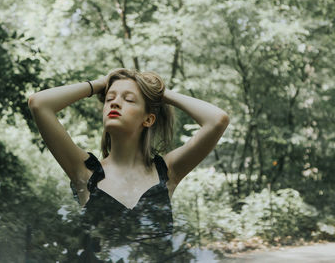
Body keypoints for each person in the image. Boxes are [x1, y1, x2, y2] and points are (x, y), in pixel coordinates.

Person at [28, 68, 229, 262]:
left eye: (129, 99)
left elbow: (217, 120)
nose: (115, 103)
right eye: (109, 98)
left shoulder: (167, 171)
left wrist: (159, 93)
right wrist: (99, 84)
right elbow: (39, 103)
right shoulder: (86, 172)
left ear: (148, 119)